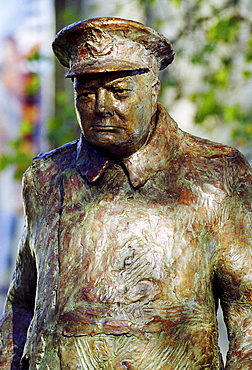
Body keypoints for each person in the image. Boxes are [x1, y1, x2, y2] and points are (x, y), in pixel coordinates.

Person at [0, 17, 252, 370]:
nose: (101, 107)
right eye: (86, 93)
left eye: (119, 91)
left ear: (153, 91)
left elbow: (248, 316)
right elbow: (23, 304)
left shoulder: (215, 174)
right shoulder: (46, 178)